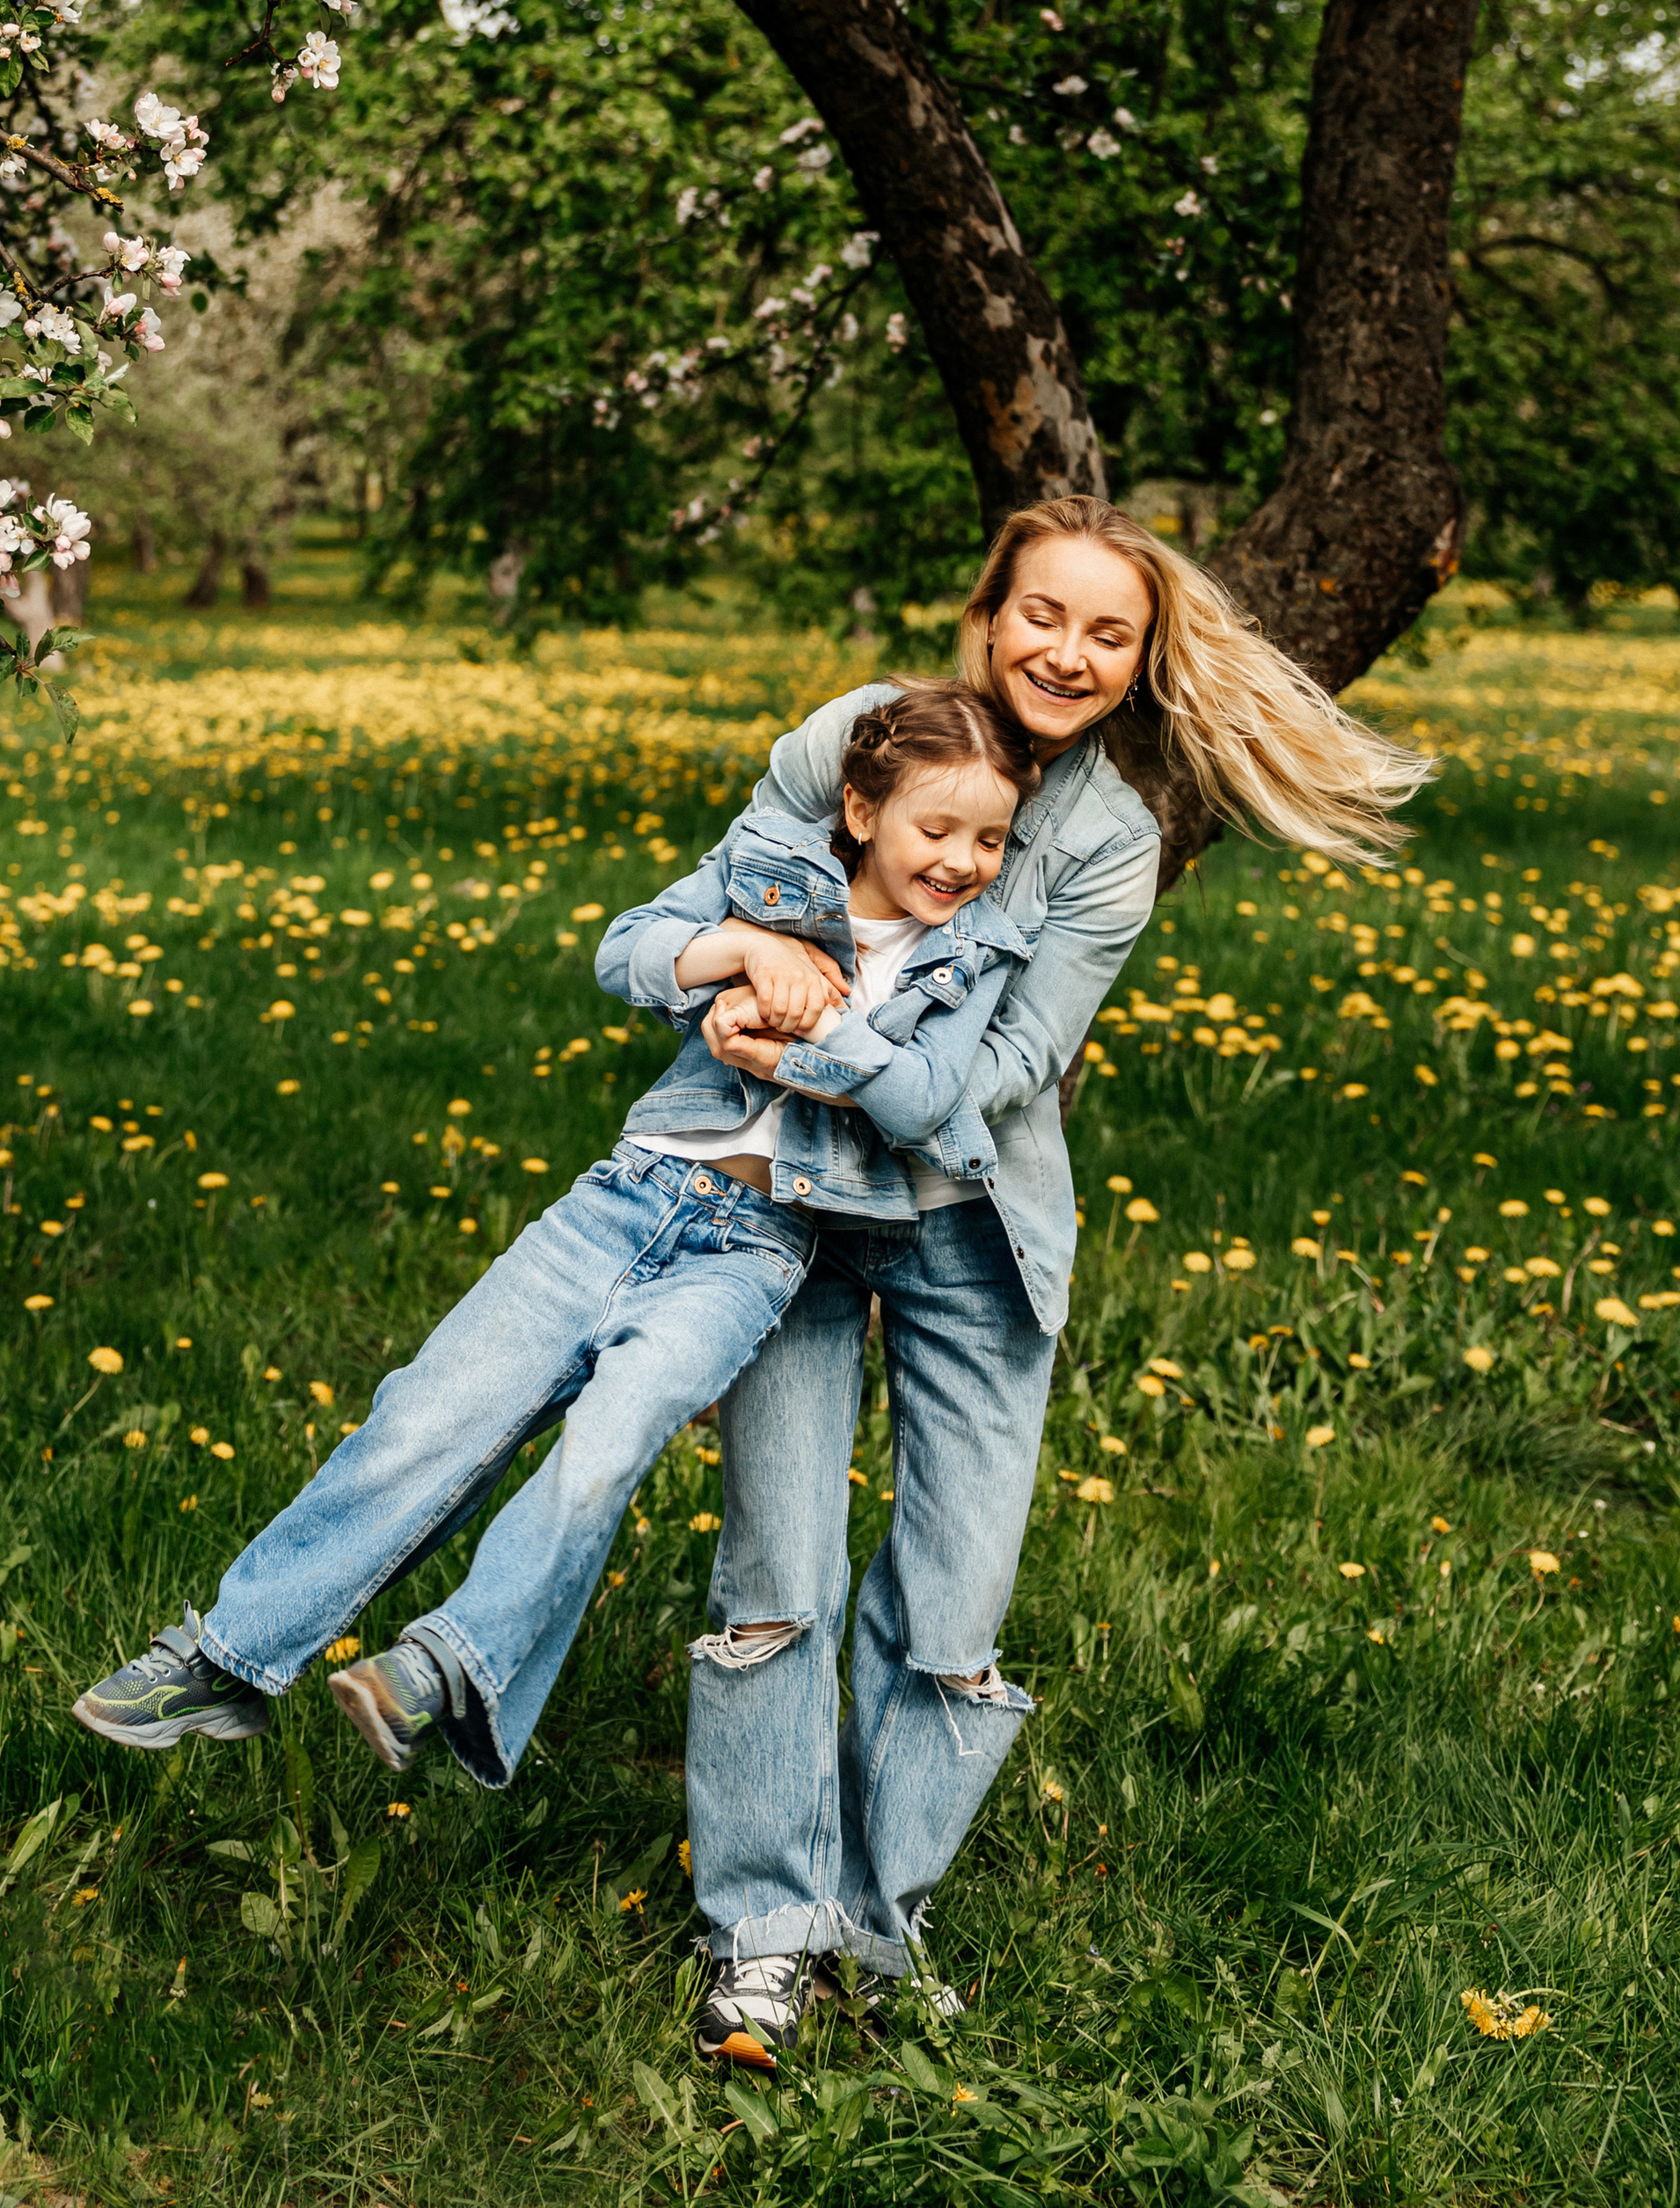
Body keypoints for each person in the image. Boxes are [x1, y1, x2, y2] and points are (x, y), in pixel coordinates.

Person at [661, 495, 1428, 2069]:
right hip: (789, 1205)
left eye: (1107, 632)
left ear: (1143, 661)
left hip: (972, 1234)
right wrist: (732, 985)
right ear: (985, 612)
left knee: (954, 1609)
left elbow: (1001, 1079)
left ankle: (879, 1929)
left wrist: (812, 1031)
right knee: (776, 1582)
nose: (1065, 653)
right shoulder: (852, 745)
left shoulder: (1112, 842)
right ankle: (761, 1932)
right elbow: (715, 924)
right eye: (1041, 615)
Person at [68, 685, 1039, 1788]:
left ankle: (446, 1666)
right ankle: (225, 1660)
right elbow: (625, 954)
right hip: (623, 1198)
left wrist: (810, 1036)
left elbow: (923, 1098)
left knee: (609, 1441)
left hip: (755, 1249)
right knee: (428, 1415)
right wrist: (737, 949)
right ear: (862, 810)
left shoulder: (978, 954)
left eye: (992, 839)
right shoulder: (772, 866)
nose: (963, 859)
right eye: (938, 828)